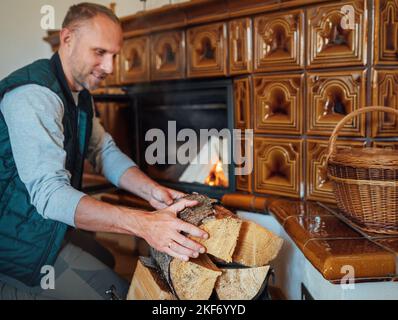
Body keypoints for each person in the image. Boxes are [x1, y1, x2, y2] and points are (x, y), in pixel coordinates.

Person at [0, 2, 208, 300]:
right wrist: (144, 225)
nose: (110, 67)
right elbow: (50, 196)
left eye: (114, 55)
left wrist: (152, 192)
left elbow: (103, 151)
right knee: (123, 294)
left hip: (42, 228)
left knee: (108, 260)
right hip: (14, 244)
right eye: (99, 53)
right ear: (67, 38)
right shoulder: (35, 95)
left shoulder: (77, 94)